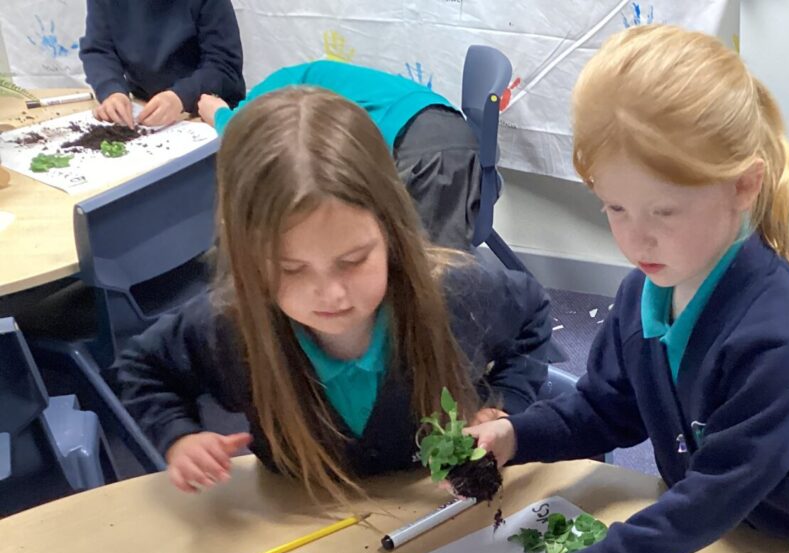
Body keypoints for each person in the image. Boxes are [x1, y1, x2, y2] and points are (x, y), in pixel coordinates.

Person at [451, 24, 789, 553]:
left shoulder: (781, 341)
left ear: (743, 186)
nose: (635, 239)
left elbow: (713, 496)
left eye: (663, 212)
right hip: (727, 548)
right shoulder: (644, 291)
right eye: (614, 208)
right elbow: (604, 411)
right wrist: (516, 436)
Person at [117, 88, 553, 504]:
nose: (330, 294)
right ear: (248, 259)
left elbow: (532, 315)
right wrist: (179, 437)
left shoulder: (456, 294)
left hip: (438, 513)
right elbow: (143, 368)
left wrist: (505, 404)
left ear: (392, 233)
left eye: (353, 260)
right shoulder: (231, 325)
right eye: (291, 269)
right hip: (300, 519)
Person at [198, 61, 481, 250]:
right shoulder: (309, 77)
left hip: (426, 149)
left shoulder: (276, 97)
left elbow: (238, 129)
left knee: (432, 278)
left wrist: (216, 112)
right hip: (444, 130)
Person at [81, 0, 246, 128]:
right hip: (144, 107)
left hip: (207, 113)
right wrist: (112, 90)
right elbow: (99, 50)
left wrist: (181, 96)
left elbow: (224, 64)